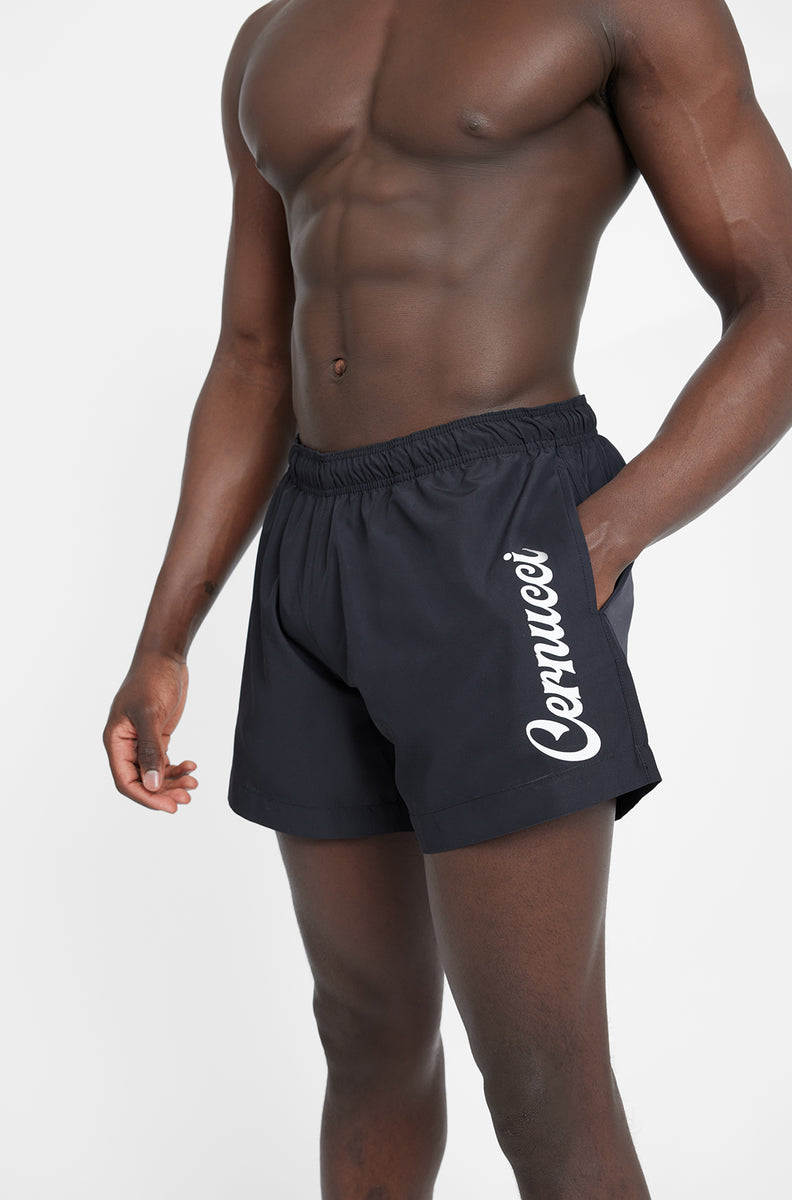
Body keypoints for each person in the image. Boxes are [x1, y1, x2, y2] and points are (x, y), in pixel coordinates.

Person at [102, 0, 792, 1195]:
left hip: (502, 521)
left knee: (537, 1075)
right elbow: (254, 357)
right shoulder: (273, 36)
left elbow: (778, 296)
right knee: (363, 1035)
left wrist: (603, 533)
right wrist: (165, 637)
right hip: (314, 536)